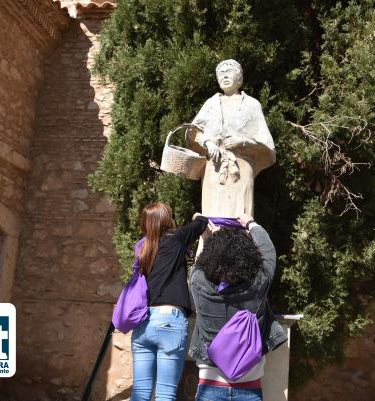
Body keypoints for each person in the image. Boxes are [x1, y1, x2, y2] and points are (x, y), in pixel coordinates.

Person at [188, 214, 287, 401]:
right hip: (249, 387)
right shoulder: (259, 283)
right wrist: (251, 223)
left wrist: (209, 237)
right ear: (248, 256)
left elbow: (199, 265)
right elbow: (268, 252)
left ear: (210, 256)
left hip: (210, 384)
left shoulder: (199, 284)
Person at [130, 202, 208, 401]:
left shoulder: (142, 247)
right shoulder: (175, 238)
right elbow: (201, 223)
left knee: (140, 393)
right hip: (169, 321)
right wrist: (197, 216)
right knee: (165, 395)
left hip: (143, 323)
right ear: (166, 219)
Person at [187, 59, 276, 218]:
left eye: (229, 71)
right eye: (221, 73)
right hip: (214, 167)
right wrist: (208, 144)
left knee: (240, 215)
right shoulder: (211, 104)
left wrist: (242, 141)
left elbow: (266, 142)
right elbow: (194, 132)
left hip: (240, 168)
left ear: (239, 78)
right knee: (212, 216)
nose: (224, 75)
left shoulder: (251, 105)